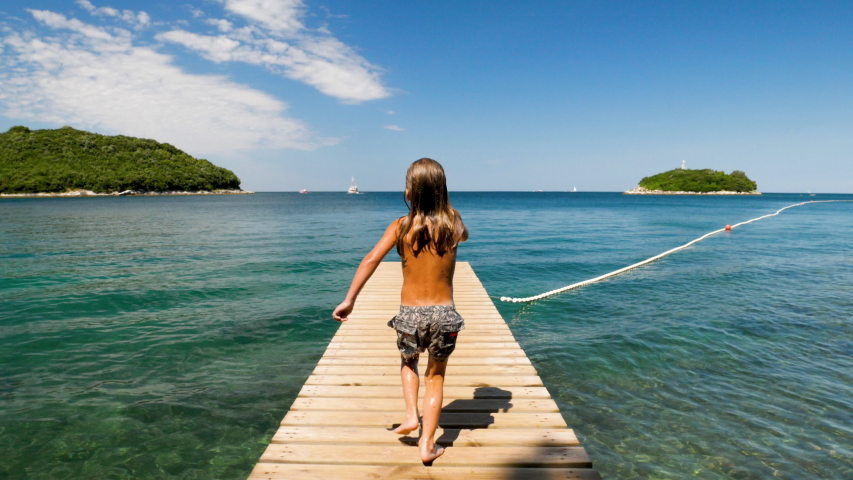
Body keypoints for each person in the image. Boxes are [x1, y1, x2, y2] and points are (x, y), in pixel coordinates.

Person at [332, 158, 469, 464]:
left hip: (409, 314)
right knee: (436, 377)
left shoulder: (400, 226)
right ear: (443, 191)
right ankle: (427, 445)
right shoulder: (454, 221)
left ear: (409, 192)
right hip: (445, 315)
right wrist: (444, 209)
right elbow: (464, 236)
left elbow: (370, 259)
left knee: (409, 362)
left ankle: (410, 416)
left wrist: (350, 299)